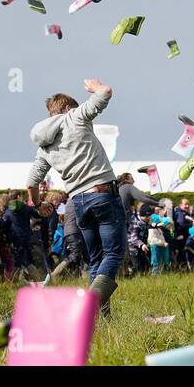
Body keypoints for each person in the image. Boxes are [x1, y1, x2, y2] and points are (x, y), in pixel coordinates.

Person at [26, 78, 123, 316]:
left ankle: (102, 321)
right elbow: (106, 92)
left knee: (96, 259)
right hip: (101, 194)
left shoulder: (44, 147)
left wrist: (40, 205)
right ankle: (92, 303)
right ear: (68, 109)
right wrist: (95, 87)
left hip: (78, 201)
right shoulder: (74, 117)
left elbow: (31, 183)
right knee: (114, 253)